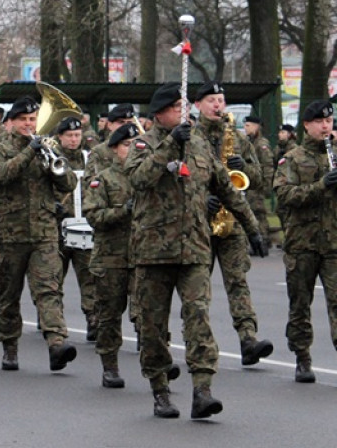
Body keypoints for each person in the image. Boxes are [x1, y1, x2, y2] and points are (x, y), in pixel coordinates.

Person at [125, 84, 265, 420]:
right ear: (159, 113)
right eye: (175, 107)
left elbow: (227, 188)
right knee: (153, 327)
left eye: (183, 106)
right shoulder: (144, 144)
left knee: (198, 317)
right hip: (154, 252)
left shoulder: (199, 143)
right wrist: (171, 144)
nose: (181, 112)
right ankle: (160, 390)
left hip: (195, 249)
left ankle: (203, 389)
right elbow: (140, 179)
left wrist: (253, 228)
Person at [273, 99, 337, 386]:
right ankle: (302, 358)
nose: (325, 126)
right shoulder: (293, 158)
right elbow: (284, 195)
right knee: (300, 304)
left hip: (336, 243)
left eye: (329, 122)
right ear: (307, 125)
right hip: (302, 243)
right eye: (319, 122)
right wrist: (322, 186)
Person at [0, 96, 78, 373]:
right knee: (8, 295)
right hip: (9, 235)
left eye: (33, 120)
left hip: (44, 233)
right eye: (23, 120)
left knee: (49, 289)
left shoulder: (48, 149)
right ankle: (10, 347)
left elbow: (69, 181)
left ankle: (56, 343)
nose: (28, 124)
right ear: (10, 123)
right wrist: (28, 153)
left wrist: (53, 162)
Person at [190, 82, 274, 366]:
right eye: (211, 100)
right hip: (198, 224)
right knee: (197, 288)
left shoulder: (237, 138)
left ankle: (248, 339)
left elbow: (260, 180)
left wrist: (244, 166)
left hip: (232, 222)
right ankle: (196, 340)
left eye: (221, 100)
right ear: (198, 104)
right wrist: (202, 200)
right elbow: (177, 180)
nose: (217, 105)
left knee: (238, 281)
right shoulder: (189, 136)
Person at [82, 123, 139, 388]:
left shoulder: (146, 178)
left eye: (136, 145)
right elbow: (94, 216)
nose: (133, 149)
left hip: (143, 256)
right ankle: (110, 366)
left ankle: (158, 364)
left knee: (150, 314)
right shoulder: (103, 179)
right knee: (109, 314)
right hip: (111, 257)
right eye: (127, 145)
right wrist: (122, 211)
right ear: (115, 149)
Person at [53, 116, 97, 341]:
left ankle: (92, 319)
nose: (73, 139)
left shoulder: (89, 158)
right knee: (54, 276)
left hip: (83, 226)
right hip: (59, 227)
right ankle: (52, 320)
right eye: (69, 135)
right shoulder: (53, 159)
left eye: (77, 135)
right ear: (60, 137)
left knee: (88, 276)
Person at [243, 115, 275, 241]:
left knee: (259, 213)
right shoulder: (250, 142)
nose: (245, 129)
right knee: (253, 212)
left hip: (259, 185)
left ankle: (264, 240)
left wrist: (266, 185)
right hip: (251, 183)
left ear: (256, 127)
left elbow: (268, 166)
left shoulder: (262, 144)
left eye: (248, 126)